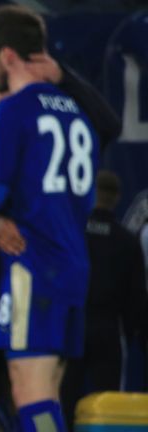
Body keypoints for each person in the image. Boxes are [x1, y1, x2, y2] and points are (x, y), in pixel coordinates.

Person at [0, 5, 100, 430]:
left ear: (8, 56)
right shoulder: (76, 113)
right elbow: (84, 198)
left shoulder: (13, 112)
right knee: (48, 389)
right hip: (73, 263)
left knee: (28, 389)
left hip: (33, 265)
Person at [60, 171, 148, 429]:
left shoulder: (72, 233)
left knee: (64, 402)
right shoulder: (127, 241)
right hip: (109, 331)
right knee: (109, 406)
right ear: (117, 198)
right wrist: (130, 334)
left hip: (72, 325)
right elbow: (136, 298)